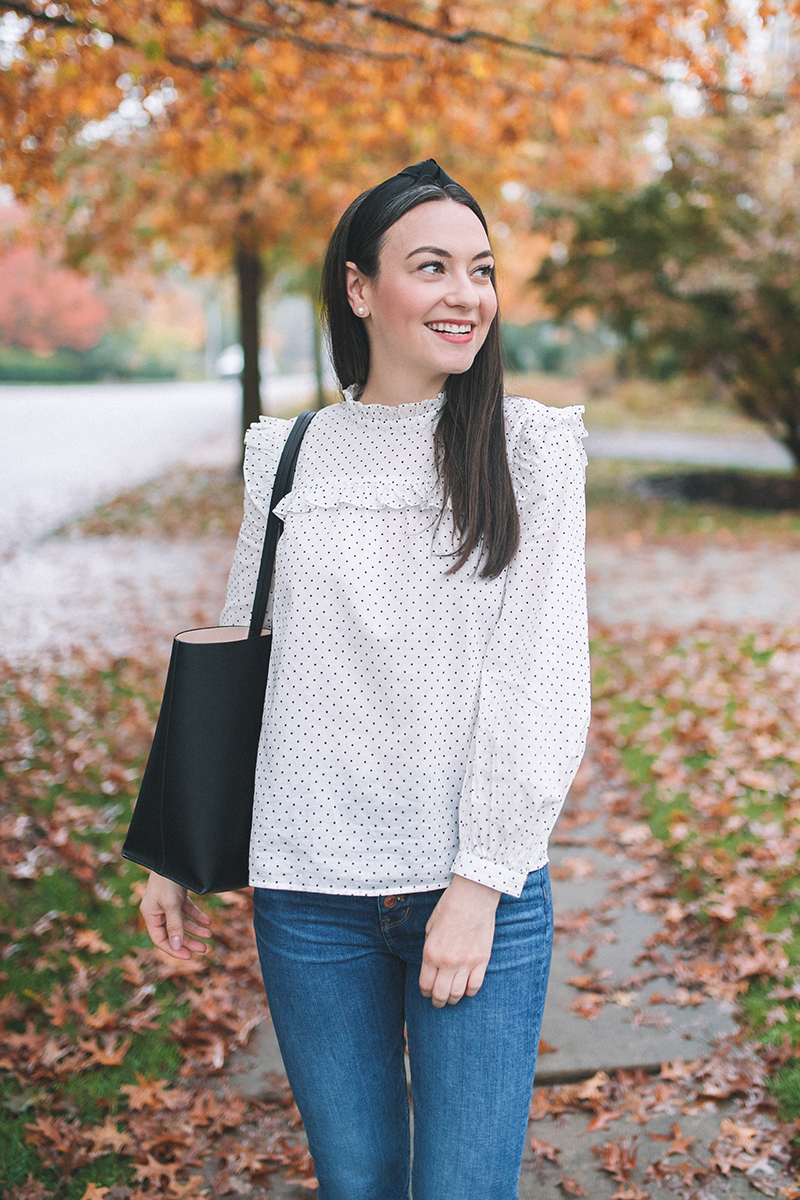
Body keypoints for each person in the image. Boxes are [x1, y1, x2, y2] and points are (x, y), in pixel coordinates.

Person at [140, 159, 591, 1200]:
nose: (462, 295)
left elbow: (541, 677)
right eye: (428, 267)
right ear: (358, 288)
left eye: (477, 270)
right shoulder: (289, 452)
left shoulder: (528, 448)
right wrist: (176, 840)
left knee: (461, 1190)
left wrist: (478, 884)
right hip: (306, 893)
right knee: (357, 1182)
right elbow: (238, 648)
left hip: (472, 884)